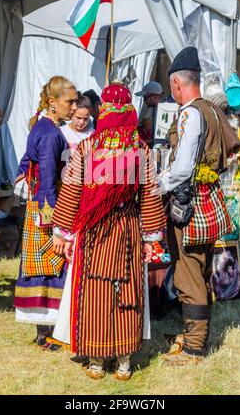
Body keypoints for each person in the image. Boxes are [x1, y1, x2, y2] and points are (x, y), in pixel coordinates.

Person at [51, 83, 165, 380]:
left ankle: (97, 361)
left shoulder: (88, 147)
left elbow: (72, 191)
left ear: (104, 111)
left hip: (94, 232)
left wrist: (62, 231)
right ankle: (124, 362)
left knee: (96, 291)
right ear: (129, 110)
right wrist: (152, 237)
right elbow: (151, 194)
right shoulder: (140, 149)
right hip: (127, 228)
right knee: (126, 290)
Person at [158, 47, 234, 365]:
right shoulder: (213, 110)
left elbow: (182, 168)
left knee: (188, 273)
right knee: (200, 270)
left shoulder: (190, 113)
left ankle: (193, 347)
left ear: (177, 84)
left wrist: (157, 185)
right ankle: (195, 333)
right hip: (209, 199)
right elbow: (230, 149)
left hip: (189, 203)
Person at [14, 76, 78, 346]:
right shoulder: (50, 134)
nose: (74, 107)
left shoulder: (44, 127)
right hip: (47, 210)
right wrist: (57, 226)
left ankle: (46, 332)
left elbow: (30, 166)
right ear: (52, 103)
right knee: (49, 266)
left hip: (40, 206)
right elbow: (50, 181)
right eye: (69, 102)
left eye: (75, 101)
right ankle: (46, 334)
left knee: (45, 267)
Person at [43, 95, 95, 351]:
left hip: (85, 200)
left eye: (86, 118)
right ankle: (56, 315)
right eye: (78, 118)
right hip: (66, 195)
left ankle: (75, 312)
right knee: (60, 255)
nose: (83, 122)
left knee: (77, 257)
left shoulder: (96, 137)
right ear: (71, 114)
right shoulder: (61, 134)